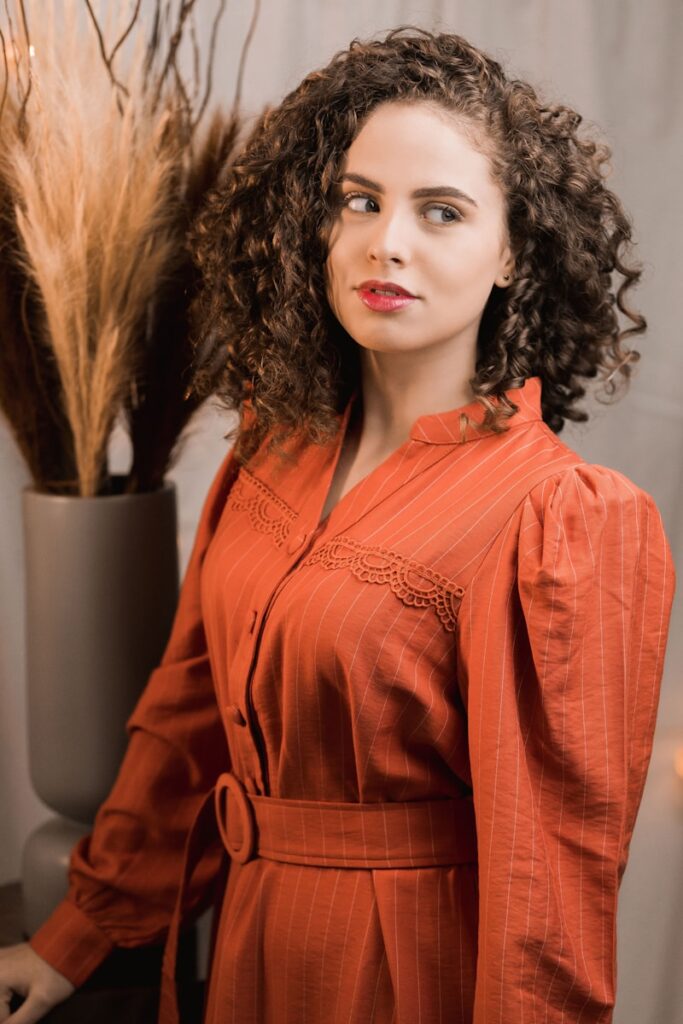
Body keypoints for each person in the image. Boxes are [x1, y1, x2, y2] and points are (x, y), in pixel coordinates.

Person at [0, 24, 676, 1024]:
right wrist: (73, 940)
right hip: (250, 947)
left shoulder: (557, 521)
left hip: (405, 971)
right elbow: (190, 719)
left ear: (510, 254)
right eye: (359, 199)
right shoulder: (274, 446)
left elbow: (551, 888)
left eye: (439, 211)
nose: (383, 241)